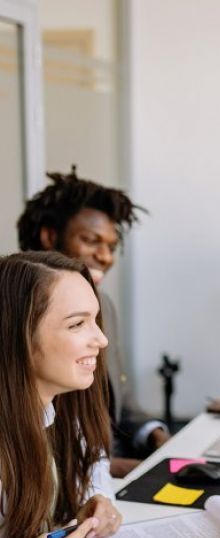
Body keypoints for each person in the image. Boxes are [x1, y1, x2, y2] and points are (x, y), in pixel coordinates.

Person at [16, 168, 170, 477]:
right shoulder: (14, 309)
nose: (105, 256)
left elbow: (121, 399)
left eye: (112, 247)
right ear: (49, 236)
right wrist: (100, 470)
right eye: (91, 240)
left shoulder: (105, 305)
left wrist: (158, 439)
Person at [0, 251, 122, 538]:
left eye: (95, 321)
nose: (101, 340)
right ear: (16, 337)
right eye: (76, 324)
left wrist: (98, 506)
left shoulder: (63, 409)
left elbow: (97, 481)